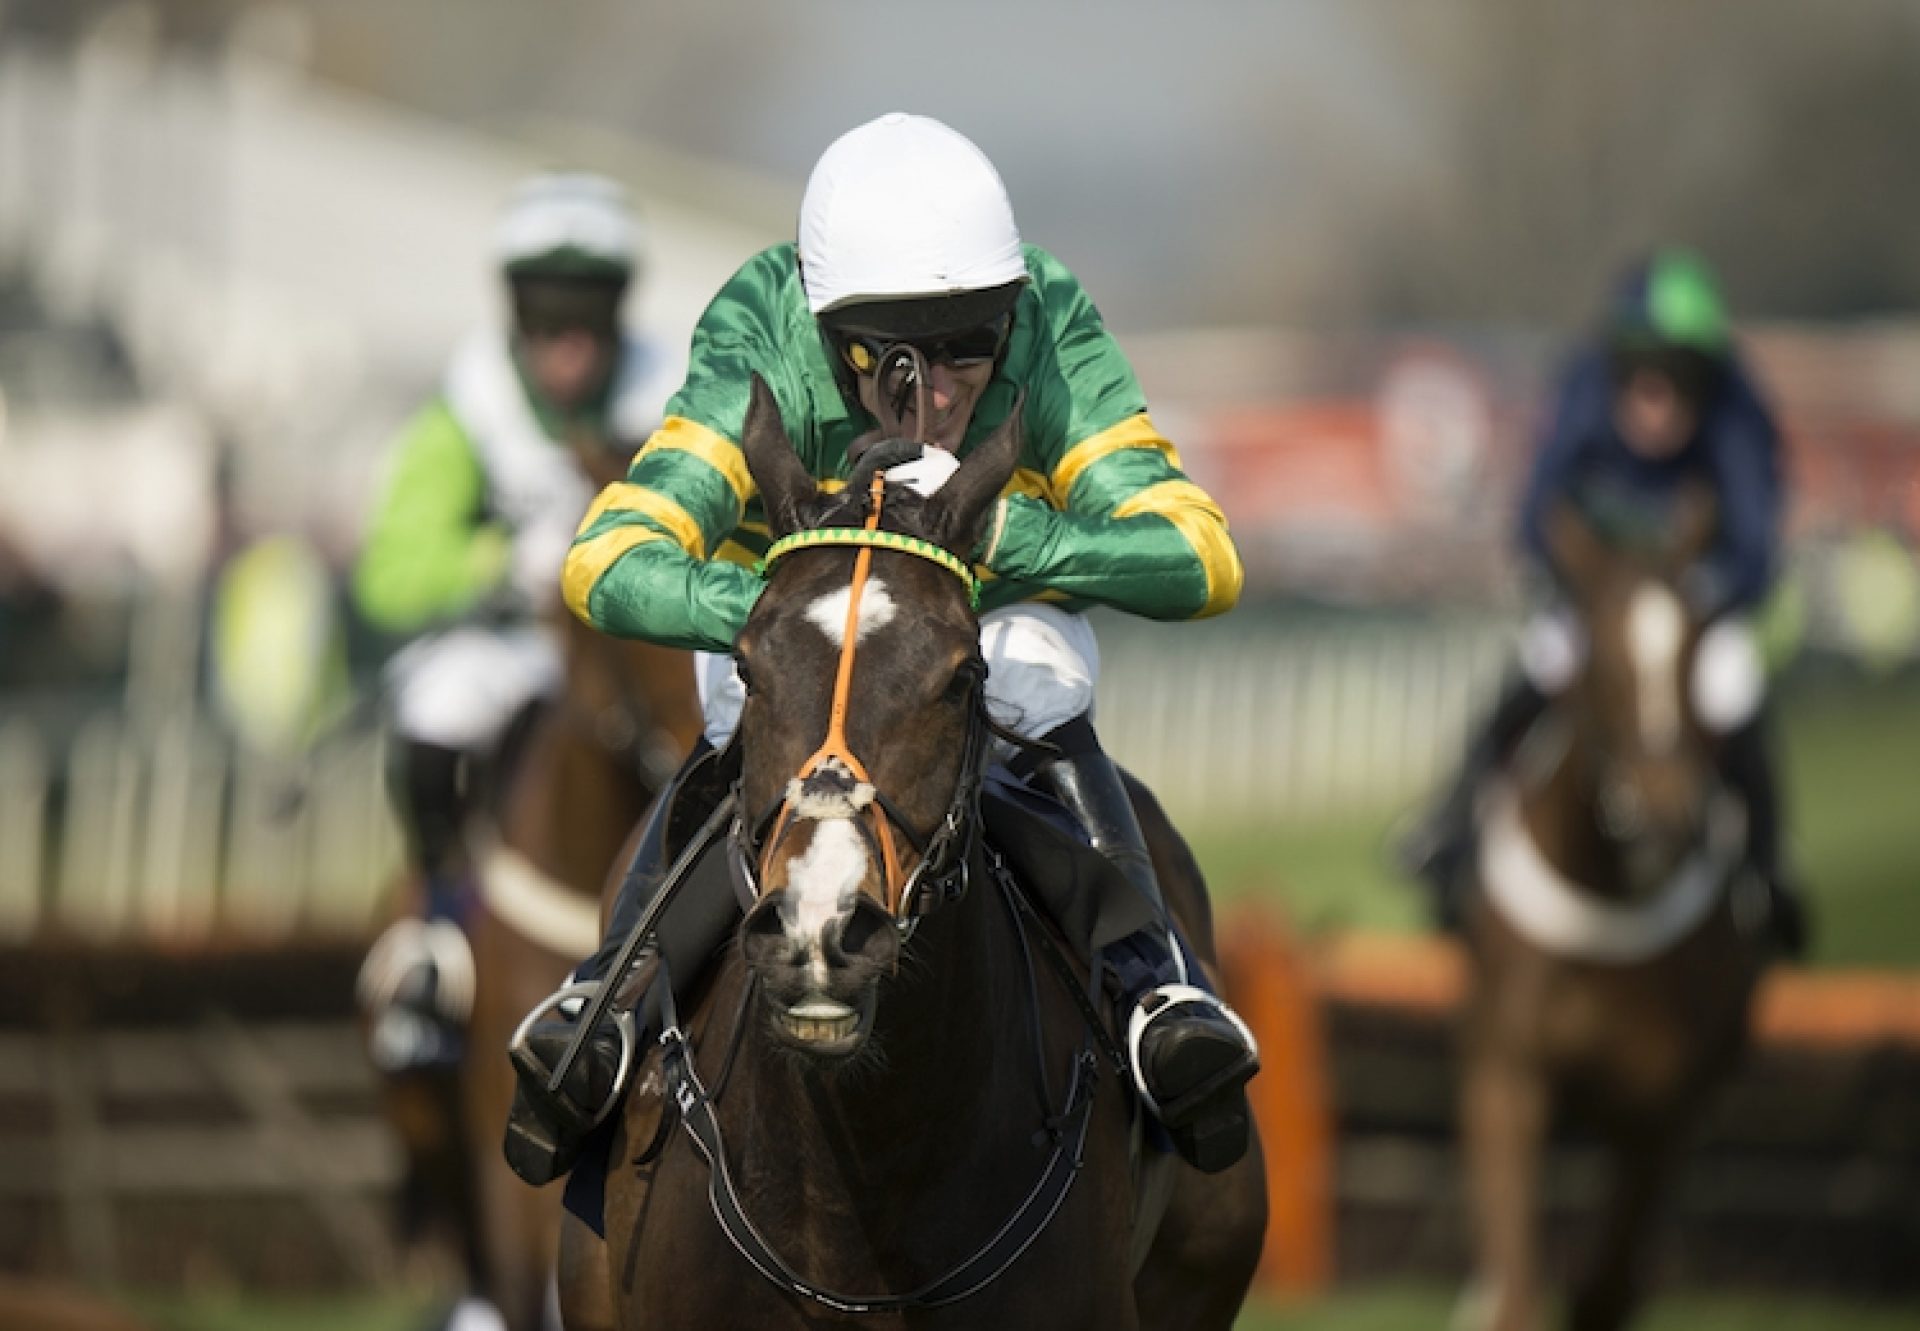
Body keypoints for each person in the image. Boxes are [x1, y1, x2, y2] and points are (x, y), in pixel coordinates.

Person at [504, 112, 1260, 1182]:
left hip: (975, 614)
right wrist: (780, 611)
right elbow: (607, 557)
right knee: (739, 703)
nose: (943, 391)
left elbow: (1203, 552)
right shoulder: (766, 315)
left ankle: (1156, 985)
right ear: (827, 330)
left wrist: (1004, 531)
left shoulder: (1047, 314)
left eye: (973, 348)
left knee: (1041, 678)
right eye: (897, 359)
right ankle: (609, 1001)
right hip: (798, 626)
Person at [353, 173, 678, 1076]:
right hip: (512, 647)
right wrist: (500, 563)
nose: (566, 348)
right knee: (437, 711)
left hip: (636, 645)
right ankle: (433, 940)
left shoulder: (674, 401)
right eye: (544, 324)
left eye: (585, 321)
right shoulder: (467, 411)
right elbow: (390, 574)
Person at [1400, 248, 1807, 955]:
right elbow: (1535, 513)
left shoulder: (1739, 414)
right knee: (1537, 665)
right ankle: (1453, 824)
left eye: (1678, 379)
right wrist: (1590, 590)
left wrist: (1689, 602)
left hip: (1691, 608)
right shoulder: (1584, 388)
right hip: (1597, 600)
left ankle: (1768, 869)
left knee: (1733, 688)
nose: (1657, 398)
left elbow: (1754, 548)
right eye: (1643, 374)